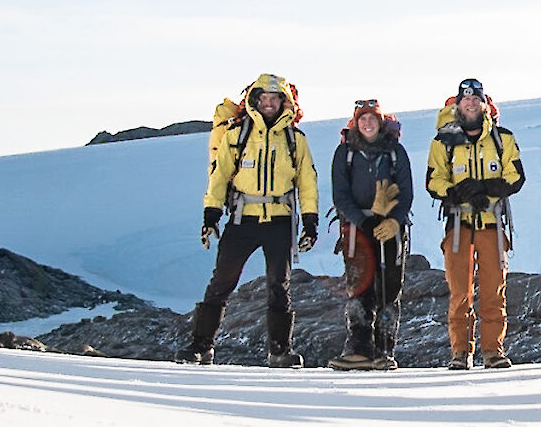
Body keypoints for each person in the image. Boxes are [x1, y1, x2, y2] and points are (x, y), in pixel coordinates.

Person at [176, 73, 320, 368]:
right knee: (222, 281)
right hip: (243, 218)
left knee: (279, 285)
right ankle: (200, 346)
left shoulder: (295, 140)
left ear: (284, 102)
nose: (269, 104)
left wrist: (310, 221)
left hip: (280, 220)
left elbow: (307, 181)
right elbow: (220, 177)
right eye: (264, 99)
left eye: (274, 99)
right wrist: (211, 214)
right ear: (255, 101)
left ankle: (280, 351)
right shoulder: (237, 135)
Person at [426, 78, 525, 370]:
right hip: (458, 225)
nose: (470, 103)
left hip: (491, 224)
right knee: (460, 292)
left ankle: (493, 351)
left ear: (484, 104)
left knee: (494, 290)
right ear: (457, 104)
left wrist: (487, 189)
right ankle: (460, 352)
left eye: (475, 98)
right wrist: (457, 192)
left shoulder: (502, 139)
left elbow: (516, 176)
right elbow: (434, 180)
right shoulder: (442, 142)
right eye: (465, 98)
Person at [326, 99, 413, 371]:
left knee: (389, 287)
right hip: (357, 228)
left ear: (380, 122)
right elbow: (340, 194)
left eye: (372, 119)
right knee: (359, 287)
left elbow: (406, 191)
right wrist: (360, 221)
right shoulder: (345, 153)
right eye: (362, 119)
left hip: (391, 227)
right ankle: (359, 347)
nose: (367, 124)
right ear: (355, 123)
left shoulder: (395, 151)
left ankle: (384, 349)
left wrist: (395, 220)